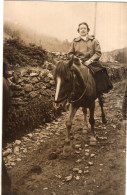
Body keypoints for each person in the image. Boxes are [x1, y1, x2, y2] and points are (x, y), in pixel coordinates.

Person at [68, 22, 113, 96]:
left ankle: (101, 93)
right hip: (78, 63)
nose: (83, 30)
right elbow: (70, 54)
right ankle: (68, 96)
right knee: (68, 74)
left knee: (100, 73)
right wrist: (77, 59)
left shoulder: (94, 41)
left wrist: (90, 60)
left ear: (87, 30)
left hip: (92, 62)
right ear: (78, 31)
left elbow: (98, 53)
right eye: (81, 28)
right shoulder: (74, 41)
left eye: (84, 28)